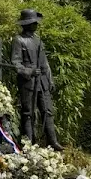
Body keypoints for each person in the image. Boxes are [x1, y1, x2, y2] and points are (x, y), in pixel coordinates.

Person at [11, 9, 63, 150]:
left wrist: (50, 80)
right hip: (28, 82)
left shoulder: (38, 39)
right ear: (26, 24)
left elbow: (45, 63)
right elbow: (15, 63)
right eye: (33, 23)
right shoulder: (19, 40)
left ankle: (52, 141)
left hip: (42, 82)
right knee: (28, 113)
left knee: (47, 111)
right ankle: (29, 143)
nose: (36, 25)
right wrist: (29, 71)